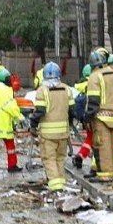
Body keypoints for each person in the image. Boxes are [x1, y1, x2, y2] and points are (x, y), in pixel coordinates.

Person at [29, 62, 75, 191]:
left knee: (49, 159)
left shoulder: (42, 91)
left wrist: (33, 125)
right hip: (63, 133)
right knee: (60, 158)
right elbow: (72, 110)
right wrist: (69, 124)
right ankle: (61, 183)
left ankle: (55, 187)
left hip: (48, 134)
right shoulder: (67, 89)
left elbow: (39, 111)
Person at [84, 48, 113, 181]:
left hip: (101, 117)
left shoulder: (95, 77)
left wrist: (87, 119)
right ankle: (112, 172)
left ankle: (104, 175)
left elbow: (93, 101)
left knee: (102, 146)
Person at [73, 64, 94, 172]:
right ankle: (96, 163)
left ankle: (81, 155)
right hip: (94, 116)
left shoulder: (79, 86)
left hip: (84, 118)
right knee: (99, 140)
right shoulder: (95, 83)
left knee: (89, 139)